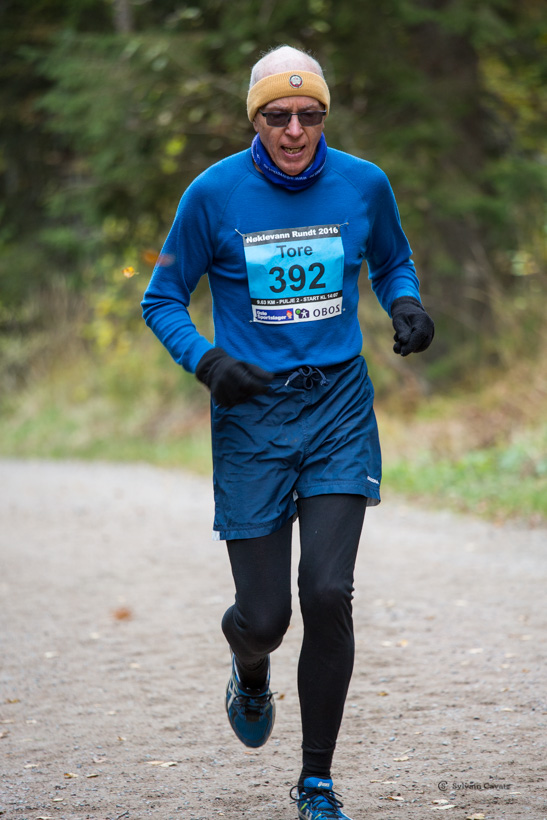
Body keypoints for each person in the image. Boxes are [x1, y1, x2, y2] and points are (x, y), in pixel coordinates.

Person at [142, 44, 434, 820]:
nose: (295, 130)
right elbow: (161, 298)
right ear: (255, 119)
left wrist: (405, 303)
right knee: (265, 618)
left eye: (310, 115)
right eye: (278, 116)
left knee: (328, 592)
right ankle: (249, 666)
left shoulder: (363, 183)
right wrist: (207, 361)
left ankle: (315, 782)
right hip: (251, 418)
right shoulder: (212, 195)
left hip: (338, 408)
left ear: (324, 116)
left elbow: (392, 261)